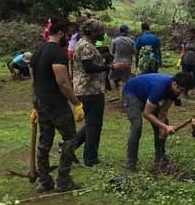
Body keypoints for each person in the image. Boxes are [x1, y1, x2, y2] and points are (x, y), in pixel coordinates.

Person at [29, 18, 83, 192]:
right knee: (70, 138)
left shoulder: (37, 52)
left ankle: (44, 181)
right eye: (67, 34)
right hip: (55, 102)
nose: (68, 38)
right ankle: (63, 181)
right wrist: (76, 103)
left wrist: (35, 104)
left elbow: (34, 80)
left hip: (41, 101)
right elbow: (63, 82)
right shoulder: (58, 53)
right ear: (60, 33)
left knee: (45, 140)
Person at [71, 20, 129, 167]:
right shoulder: (85, 46)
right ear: (91, 31)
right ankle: (90, 159)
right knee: (94, 125)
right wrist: (111, 66)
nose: (102, 33)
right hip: (89, 90)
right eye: (100, 31)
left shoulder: (88, 44)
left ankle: (68, 146)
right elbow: (89, 68)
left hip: (90, 89)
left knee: (92, 123)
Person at [123, 72, 194, 172]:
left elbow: (163, 112)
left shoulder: (175, 91)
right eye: (181, 90)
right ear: (174, 84)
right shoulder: (159, 87)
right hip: (132, 93)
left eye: (184, 91)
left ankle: (160, 160)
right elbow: (147, 114)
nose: (181, 93)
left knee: (164, 125)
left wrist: (162, 129)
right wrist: (165, 127)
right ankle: (131, 165)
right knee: (137, 126)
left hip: (147, 95)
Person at [109, 25, 135, 100]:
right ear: (127, 31)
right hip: (127, 63)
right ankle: (124, 97)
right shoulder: (131, 41)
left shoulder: (115, 40)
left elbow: (112, 52)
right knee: (125, 80)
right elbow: (134, 52)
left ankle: (115, 95)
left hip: (117, 62)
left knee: (111, 78)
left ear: (120, 31)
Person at [180, 28, 195, 97]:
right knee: (185, 77)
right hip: (186, 61)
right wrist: (180, 60)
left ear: (194, 34)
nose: (189, 34)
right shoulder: (185, 41)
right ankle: (184, 92)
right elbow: (183, 51)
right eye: (188, 33)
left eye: (191, 33)